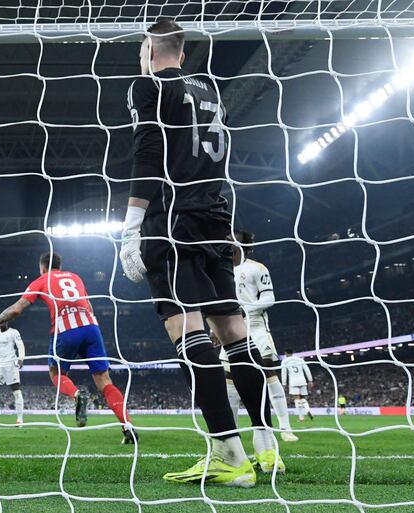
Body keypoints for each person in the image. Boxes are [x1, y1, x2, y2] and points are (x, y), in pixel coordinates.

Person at [119, 19, 276, 486]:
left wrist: (131, 229)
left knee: (186, 330)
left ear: (150, 49)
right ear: (183, 54)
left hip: (171, 219)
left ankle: (230, 456)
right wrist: (224, 223)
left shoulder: (146, 86)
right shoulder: (208, 90)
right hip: (213, 217)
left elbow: (148, 155)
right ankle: (266, 449)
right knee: (232, 329)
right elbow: (217, 158)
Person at [0, 252, 137, 444]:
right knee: (104, 380)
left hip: (65, 328)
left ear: (42, 268)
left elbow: (16, 309)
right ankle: (128, 427)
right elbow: (89, 306)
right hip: (91, 326)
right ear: (59, 266)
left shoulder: (43, 279)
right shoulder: (75, 277)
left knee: (56, 373)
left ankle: (77, 395)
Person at [229, 229, 297, 442]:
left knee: (268, 373)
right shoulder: (219, 272)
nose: (230, 242)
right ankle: (232, 433)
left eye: (235, 239)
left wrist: (245, 309)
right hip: (229, 329)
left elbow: (270, 298)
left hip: (256, 326)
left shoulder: (256, 268)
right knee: (229, 380)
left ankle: (285, 428)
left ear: (245, 245)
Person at [281, 349, 314, 422]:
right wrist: (310, 380)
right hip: (302, 380)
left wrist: (284, 384)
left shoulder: (285, 361)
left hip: (293, 382)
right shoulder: (300, 359)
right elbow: (307, 370)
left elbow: (284, 373)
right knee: (302, 398)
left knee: (297, 399)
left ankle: (301, 417)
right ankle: (308, 410)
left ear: (286, 353)